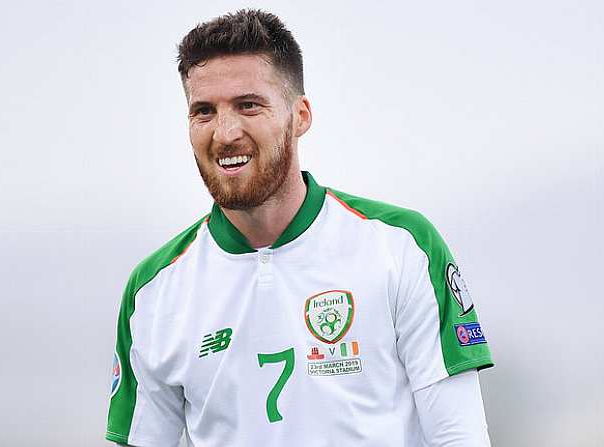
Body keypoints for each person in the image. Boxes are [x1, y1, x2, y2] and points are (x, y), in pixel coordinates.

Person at [106, 9, 493, 447]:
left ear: (301, 115)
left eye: (248, 105)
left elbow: (459, 437)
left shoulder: (402, 246)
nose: (225, 132)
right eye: (204, 112)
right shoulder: (153, 290)